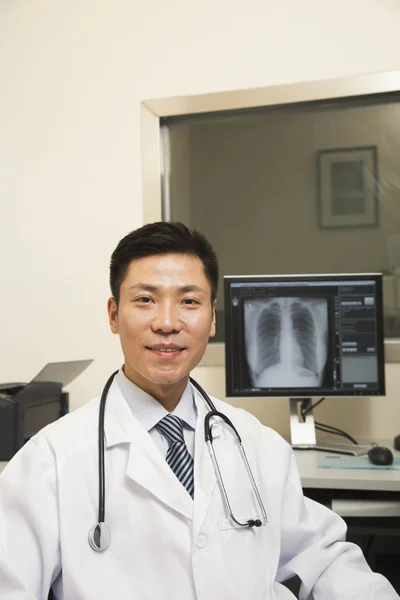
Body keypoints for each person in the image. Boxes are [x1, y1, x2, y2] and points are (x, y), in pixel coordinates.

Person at [0, 221, 398, 600]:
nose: (167, 322)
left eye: (189, 301)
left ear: (211, 319)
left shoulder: (256, 444)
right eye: (145, 300)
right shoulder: (50, 462)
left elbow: (323, 558)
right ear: (113, 315)